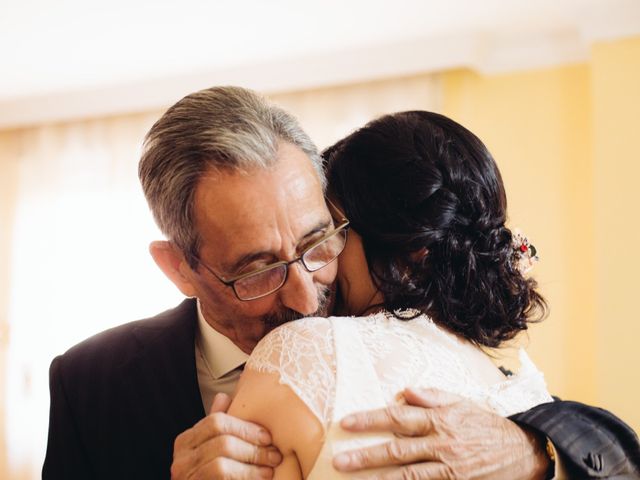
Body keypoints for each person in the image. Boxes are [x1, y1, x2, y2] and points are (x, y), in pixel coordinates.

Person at [42, 86, 640, 479]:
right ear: (178, 267)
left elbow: (613, 450)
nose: (306, 298)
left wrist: (534, 454)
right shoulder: (89, 382)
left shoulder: (409, 337)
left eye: (316, 243)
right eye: (258, 269)